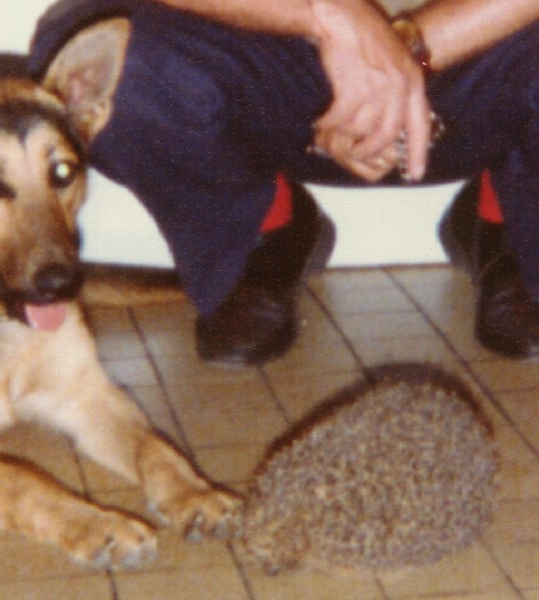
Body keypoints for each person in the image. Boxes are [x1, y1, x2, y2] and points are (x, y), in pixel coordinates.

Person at [29, 0, 539, 364]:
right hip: (267, 52)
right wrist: (327, 14)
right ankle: (265, 233)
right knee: (110, 60)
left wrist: (404, 51)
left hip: (482, 53)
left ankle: (509, 225)